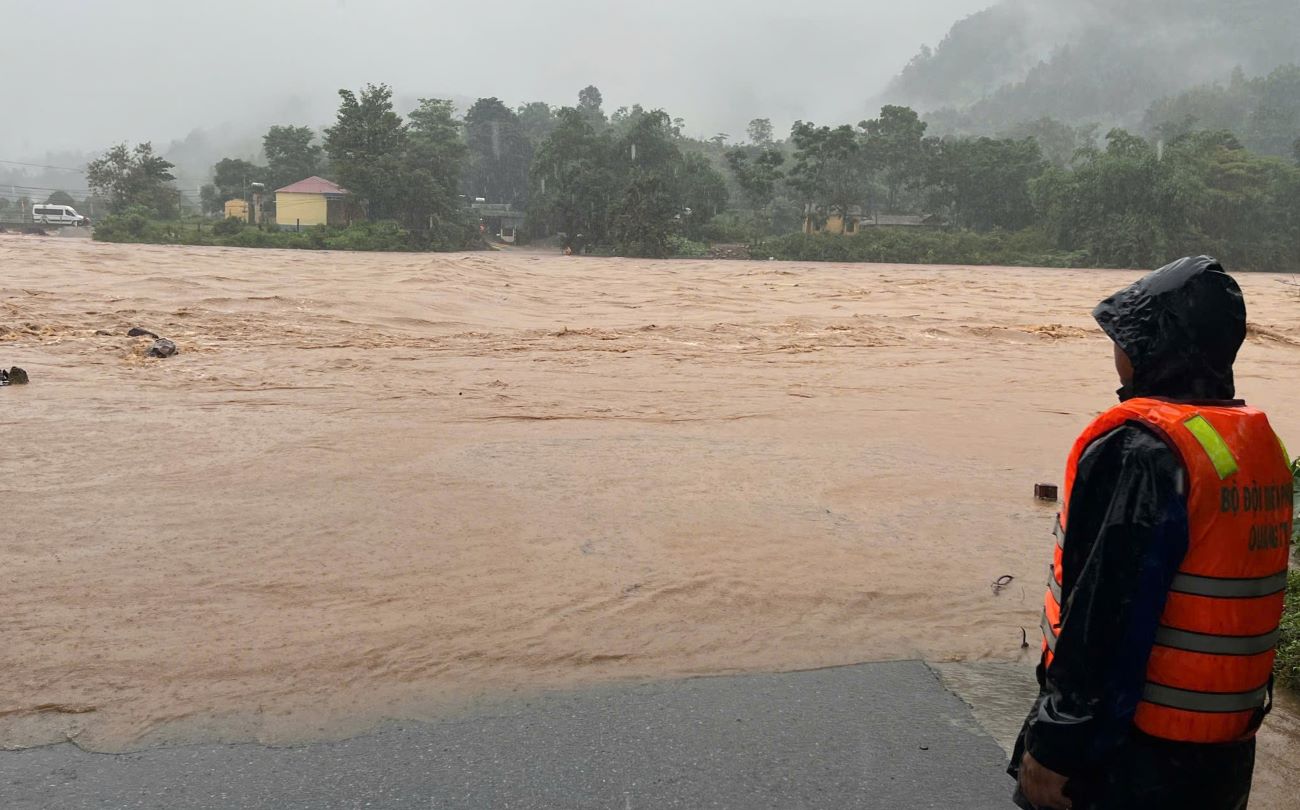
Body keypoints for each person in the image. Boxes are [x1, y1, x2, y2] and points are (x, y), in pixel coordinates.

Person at [1009, 256, 1294, 809]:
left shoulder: (1142, 449)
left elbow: (1105, 612)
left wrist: (1057, 742)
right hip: (1224, 748)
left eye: (1123, 336)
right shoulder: (1255, 445)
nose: (1116, 349)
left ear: (1154, 346)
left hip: (1131, 752)